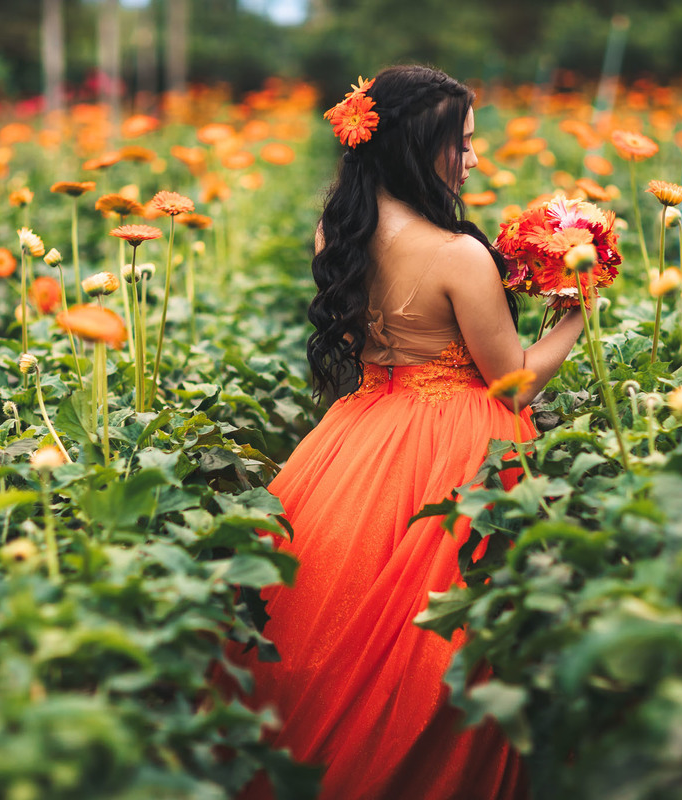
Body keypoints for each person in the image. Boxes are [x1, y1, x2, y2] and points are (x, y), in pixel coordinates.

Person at [225, 65, 586, 800]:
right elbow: (513, 381)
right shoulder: (457, 255)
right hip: (456, 446)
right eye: (464, 143)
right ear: (420, 147)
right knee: (441, 647)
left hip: (360, 431)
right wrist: (576, 312)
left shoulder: (337, 232)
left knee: (330, 613)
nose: (474, 159)